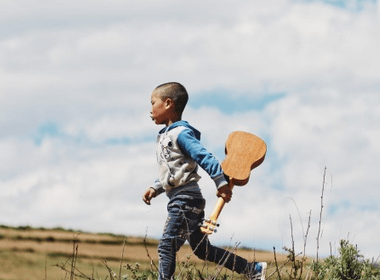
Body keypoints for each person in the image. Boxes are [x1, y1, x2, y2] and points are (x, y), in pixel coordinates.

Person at [142, 82, 267, 280]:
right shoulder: (167, 135)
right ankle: (253, 270)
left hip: (184, 201)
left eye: (152, 103)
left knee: (167, 245)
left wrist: (222, 184)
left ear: (168, 103)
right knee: (202, 250)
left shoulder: (180, 134)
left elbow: (205, 157)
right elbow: (173, 170)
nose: (150, 109)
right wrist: (155, 187)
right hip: (186, 199)